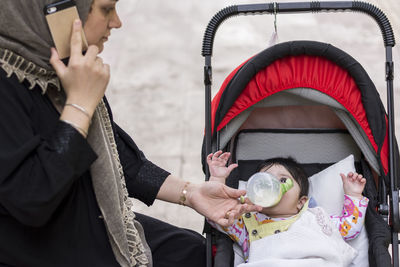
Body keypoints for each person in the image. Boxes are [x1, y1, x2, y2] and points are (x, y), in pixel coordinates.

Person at [0, 1, 261, 266]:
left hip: (87, 219)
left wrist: (190, 192)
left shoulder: (54, 65)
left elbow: (115, 156)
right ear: (57, 10)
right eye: (105, 9)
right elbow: (32, 198)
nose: (117, 22)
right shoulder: (8, 79)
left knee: (193, 251)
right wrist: (79, 105)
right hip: (40, 248)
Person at [207, 151, 369, 266]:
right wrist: (218, 179)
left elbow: (349, 229)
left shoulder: (315, 217)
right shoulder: (247, 223)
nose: (273, 185)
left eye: (283, 180)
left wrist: (353, 195)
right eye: (266, 181)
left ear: (301, 201)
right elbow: (218, 215)